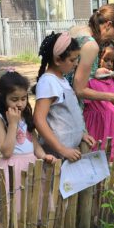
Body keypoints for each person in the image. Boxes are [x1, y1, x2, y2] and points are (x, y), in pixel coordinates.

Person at [0, 70, 54, 211]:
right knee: (15, 210)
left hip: (31, 166)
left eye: (23, 98)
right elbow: (6, 152)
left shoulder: (26, 115)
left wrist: (43, 155)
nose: (20, 103)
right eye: (14, 99)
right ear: (3, 97)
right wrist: (13, 124)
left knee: (33, 208)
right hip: (12, 170)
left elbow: (34, 142)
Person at [33, 32, 96, 162]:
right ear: (57, 60)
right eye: (72, 60)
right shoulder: (48, 82)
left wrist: (81, 134)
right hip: (57, 157)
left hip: (68, 154)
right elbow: (39, 120)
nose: (76, 63)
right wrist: (62, 149)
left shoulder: (61, 79)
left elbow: (66, 116)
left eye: (77, 59)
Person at [68, 3, 114, 108]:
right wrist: (111, 97)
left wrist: (94, 72)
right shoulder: (91, 45)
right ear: (108, 25)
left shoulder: (76, 30)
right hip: (68, 109)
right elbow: (79, 89)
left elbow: (71, 69)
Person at [83, 41, 114, 160]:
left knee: (107, 160)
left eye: (112, 61)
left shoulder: (110, 80)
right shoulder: (89, 81)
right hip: (96, 128)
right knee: (94, 159)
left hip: (112, 126)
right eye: (106, 60)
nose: (109, 64)